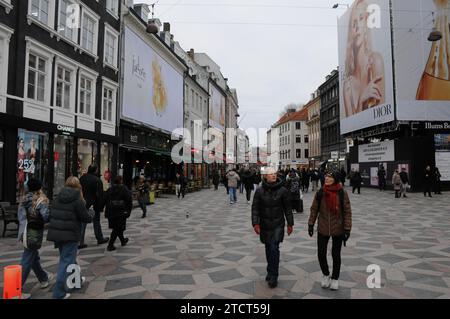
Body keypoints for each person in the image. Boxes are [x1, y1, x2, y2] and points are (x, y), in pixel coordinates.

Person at [47, 176, 94, 299]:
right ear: (78, 186)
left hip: (57, 234)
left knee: (69, 258)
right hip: (70, 234)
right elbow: (86, 218)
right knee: (66, 261)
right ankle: (58, 293)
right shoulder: (77, 200)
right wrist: (91, 213)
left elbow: (51, 214)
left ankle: (76, 280)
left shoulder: (57, 198)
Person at [308, 171, 352, 291]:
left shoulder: (342, 192)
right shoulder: (320, 192)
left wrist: (347, 229)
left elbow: (347, 211)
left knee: (335, 254)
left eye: (330, 177)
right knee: (321, 253)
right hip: (323, 227)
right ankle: (326, 274)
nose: (327, 179)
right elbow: (314, 209)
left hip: (338, 228)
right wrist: (310, 224)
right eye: (327, 177)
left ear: (335, 179)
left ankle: (335, 278)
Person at [252, 167, 293, 289]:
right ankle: (270, 270)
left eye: (275, 174)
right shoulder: (259, 191)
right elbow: (255, 208)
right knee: (268, 248)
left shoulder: (283, 191)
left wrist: (290, 223)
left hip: (278, 224)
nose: (273, 176)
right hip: (264, 224)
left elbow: (288, 209)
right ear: (265, 176)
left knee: (274, 247)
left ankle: (274, 275)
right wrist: (255, 223)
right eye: (271, 174)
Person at [342, 0, 386, 117]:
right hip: (362, 135)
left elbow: (383, 115)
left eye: (361, 19)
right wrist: (361, 100)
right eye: (353, 23)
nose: (357, 27)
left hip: (382, 134)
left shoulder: (375, 62)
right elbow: (351, 128)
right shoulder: (347, 86)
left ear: (366, 24)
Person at [18, 179, 51, 299]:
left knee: (33, 257)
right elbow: (46, 216)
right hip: (33, 234)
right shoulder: (40, 201)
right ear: (39, 188)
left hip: (23, 232)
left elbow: (21, 217)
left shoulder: (24, 199)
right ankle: (16, 288)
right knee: (27, 259)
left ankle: (43, 278)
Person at [79, 165, 108, 249]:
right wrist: (100, 206)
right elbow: (99, 195)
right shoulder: (97, 180)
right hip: (94, 204)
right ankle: (99, 238)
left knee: (83, 222)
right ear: (95, 170)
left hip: (83, 203)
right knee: (96, 222)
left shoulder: (82, 178)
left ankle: (80, 241)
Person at [104, 176, 132, 252]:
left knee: (117, 227)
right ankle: (110, 245)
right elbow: (129, 199)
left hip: (111, 211)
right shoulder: (124, 189)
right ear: (121, 181)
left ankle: (123, 240)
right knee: (117, 228)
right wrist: (128, 211)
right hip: (121, 212)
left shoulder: (110, 189)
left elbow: (105, 199)